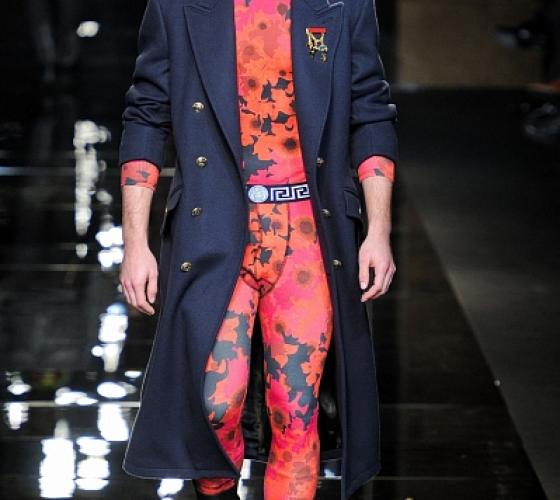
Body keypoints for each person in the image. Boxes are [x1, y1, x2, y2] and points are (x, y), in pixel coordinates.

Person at [118, 0, 398, 498]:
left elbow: (370, 112)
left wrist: (379, 230)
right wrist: (134, 243)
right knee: (214, 405)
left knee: (297, 407)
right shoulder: (177, 7)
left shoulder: (343, 5)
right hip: (215, 226)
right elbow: (146, 115)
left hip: (308, 235)